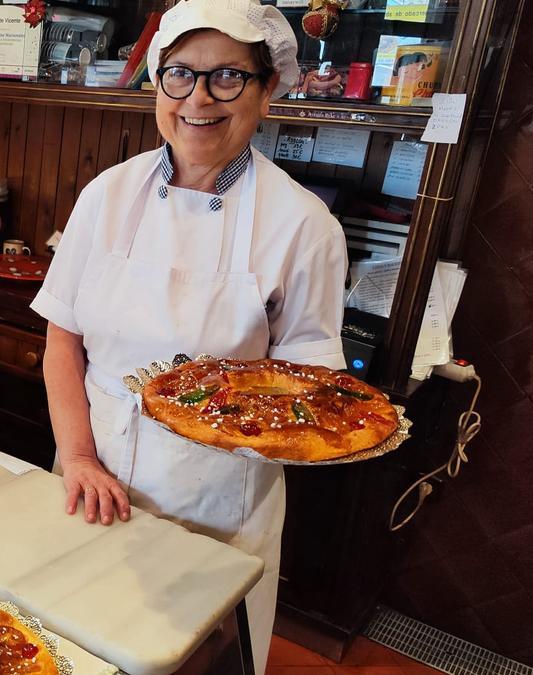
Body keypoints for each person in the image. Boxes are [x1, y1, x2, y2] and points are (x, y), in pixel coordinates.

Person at [29, 1, 347, 672]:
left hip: (216, 513)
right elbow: (63, 338)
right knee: (77, 651)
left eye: (228, 77)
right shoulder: (107, 195)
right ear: (158, 86)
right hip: (93, 486)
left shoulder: (304, 226)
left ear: (267, 91)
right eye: (179, 75)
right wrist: (79, 457)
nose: (199, 97)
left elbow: (308, 395)